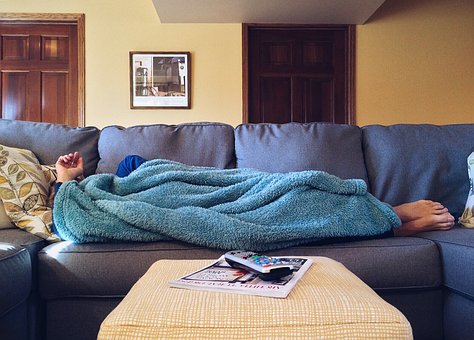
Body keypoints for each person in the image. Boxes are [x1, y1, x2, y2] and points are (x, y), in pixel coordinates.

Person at [54, 151, 455, 237]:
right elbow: (74, 217)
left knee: (297, 186)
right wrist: (68, 179)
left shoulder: (133, 167)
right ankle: (391, 219)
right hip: (131, 185)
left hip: (191, 182)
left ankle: (389, 216)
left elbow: (204, 181)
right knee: (292, 207)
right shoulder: (95, 187)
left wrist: (156, 174)